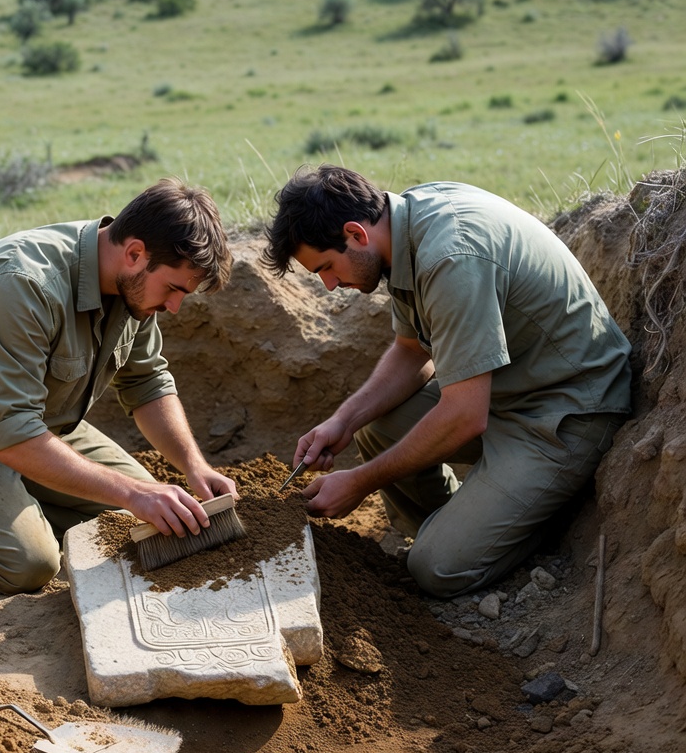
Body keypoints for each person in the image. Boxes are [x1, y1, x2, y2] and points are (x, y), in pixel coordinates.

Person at [262, 164, 631, 598]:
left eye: (325, 267)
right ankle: (466, 523)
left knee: (435, 569)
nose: (328, 285)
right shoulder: (402, 230)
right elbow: (411, 351)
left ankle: (518, 532)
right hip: (503, 390)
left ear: (356, 234)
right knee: (375, 427)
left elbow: (464, 416)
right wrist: (342, 421)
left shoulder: (449, 256)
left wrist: (360, 481)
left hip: (565, 409)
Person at [0, 177, 237, 594]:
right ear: (134, 253)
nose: (173, 306)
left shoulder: (133, 286)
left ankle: (9, 502)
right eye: (173, 289)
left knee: (143, 525)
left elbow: (147, 382)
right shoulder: (21, 282)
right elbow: (13, 436)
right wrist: (134, 492)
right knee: (30, 562)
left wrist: (194, 465)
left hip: (39, 428)